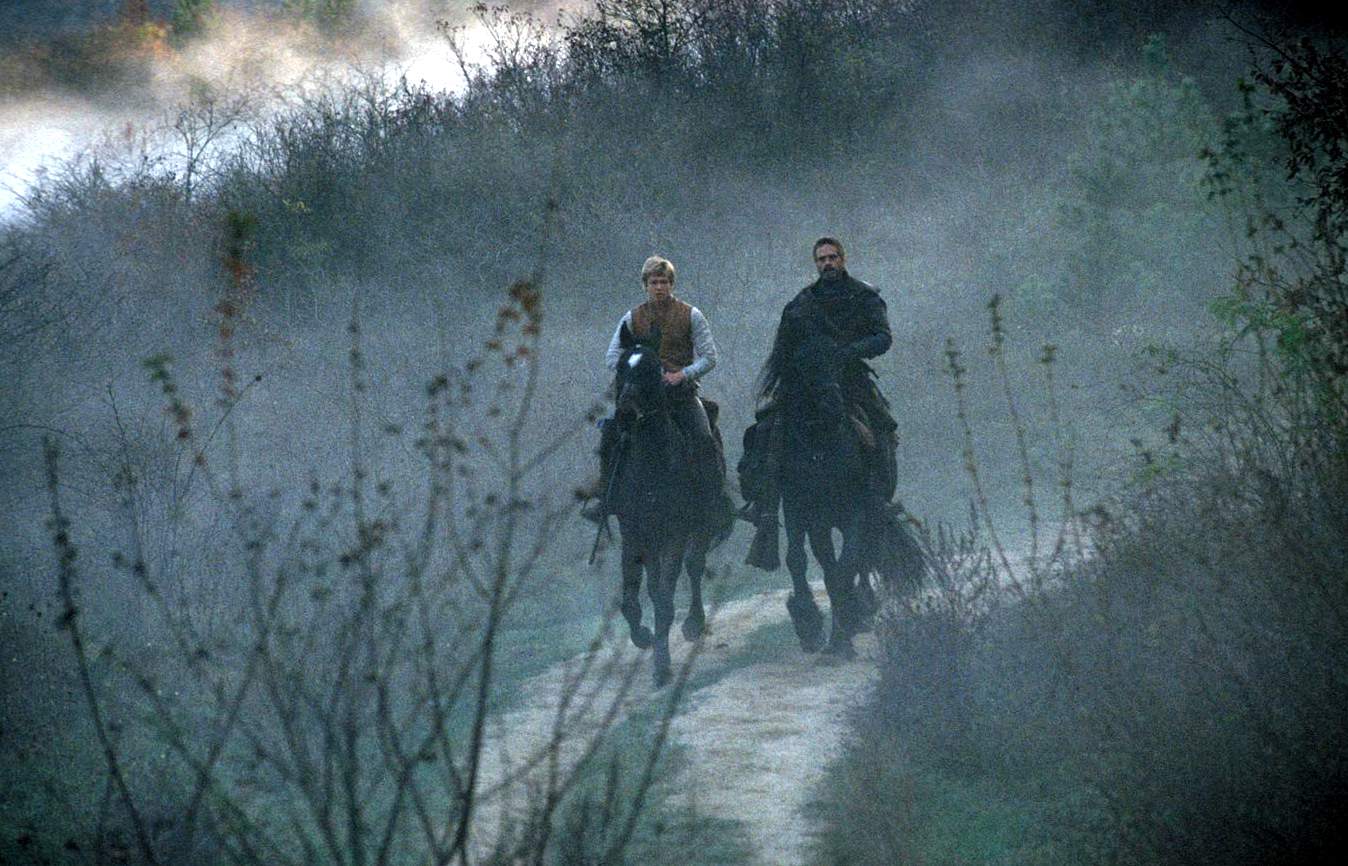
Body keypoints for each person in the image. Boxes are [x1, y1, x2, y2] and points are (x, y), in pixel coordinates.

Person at [740, 237, 898, 561]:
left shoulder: (863, 296)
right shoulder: (800, 304)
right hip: (804, 384)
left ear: (843, 259)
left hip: (850, 379)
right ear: (816, 263)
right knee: (765, 433)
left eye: (833, 257)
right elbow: (781, 349)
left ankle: (878, 499)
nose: (827, 263)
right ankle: (764, 510)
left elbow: (883, 337)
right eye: (822, 259)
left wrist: (849, 352)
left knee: (881, 427)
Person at [581, 255, 723, 523]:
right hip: (642, 398)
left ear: (672, 284)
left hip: (681, 395)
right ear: (645, 285)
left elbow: (710, 357)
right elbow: (613, 357)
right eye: (654, 282)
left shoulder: (690, 315)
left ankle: (713, 503)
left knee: (704, 439)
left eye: (665, 282)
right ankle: (606, 497)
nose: (660, 287)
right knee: (610, 435)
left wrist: (682, 373)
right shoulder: (632, 317)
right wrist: (644, 372)